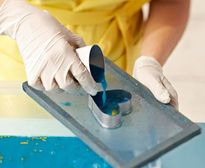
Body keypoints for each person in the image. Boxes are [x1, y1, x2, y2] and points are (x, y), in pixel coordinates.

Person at [0, 0, 190, 109]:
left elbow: (171, 2)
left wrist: (150, 61)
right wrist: (14, 16)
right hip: (30, 46)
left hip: (118, 50)